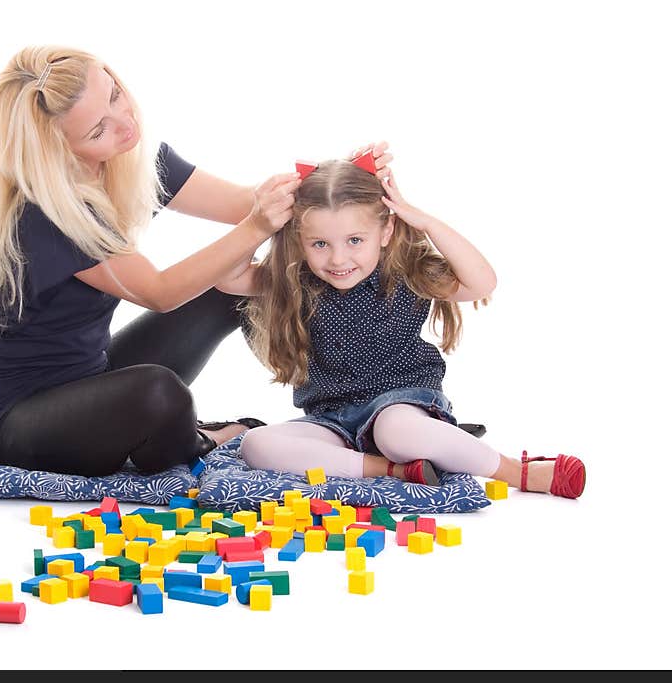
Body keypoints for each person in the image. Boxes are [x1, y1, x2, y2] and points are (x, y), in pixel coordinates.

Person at [0, 45, 311, 477]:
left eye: (114, 94)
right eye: (97, 131)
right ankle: (196, 441)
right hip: (13, 418)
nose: (125, 123)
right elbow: (158, 292)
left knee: (228, 289)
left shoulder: (135, 161)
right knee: (159, 393)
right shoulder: (46, 213)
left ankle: (333, 404)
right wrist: (257, 228)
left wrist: (342, 182)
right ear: (61, 152)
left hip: (92, 374)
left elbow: (245, 204)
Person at [218, 155, 586, 498]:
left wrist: (421, 219)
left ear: (387, 230)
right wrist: (261, 223)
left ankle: (511, 470)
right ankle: (389, 470)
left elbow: (481, 283)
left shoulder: (405, 273)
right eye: (319, 243)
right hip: (332, 420)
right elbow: (228, 278)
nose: (338, 258)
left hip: (401, 405)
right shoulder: (297, 278)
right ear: (299, 239)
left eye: (355, 240)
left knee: (396, 432)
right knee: (258, 445)